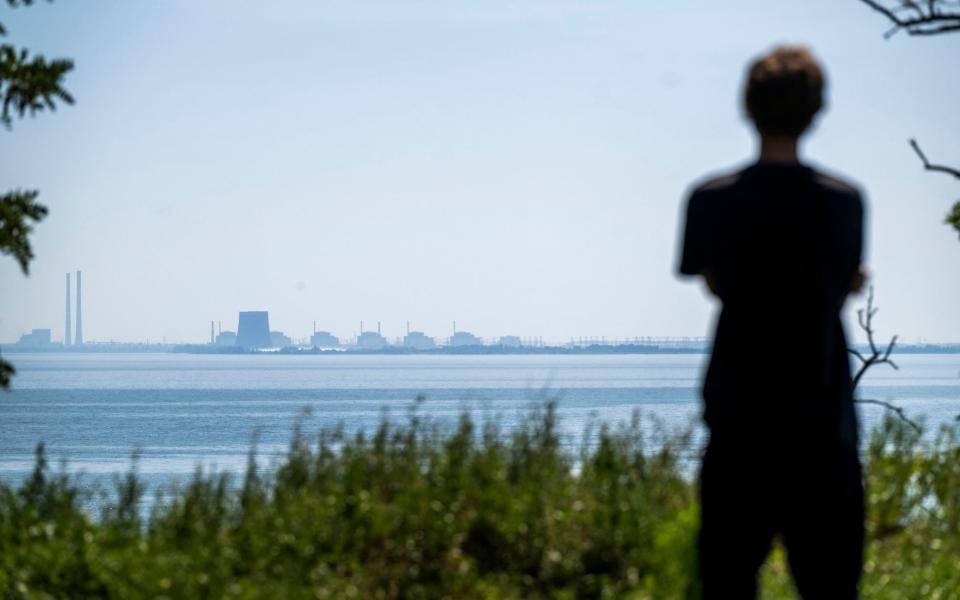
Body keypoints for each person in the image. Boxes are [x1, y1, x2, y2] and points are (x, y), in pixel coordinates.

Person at [677, 46, 867, 598]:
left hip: (739, 421)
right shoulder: (845, 201)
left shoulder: (710, 199)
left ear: (747, 106)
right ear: (816, 110)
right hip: (822, 428)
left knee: (727, 583)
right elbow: (839, 284)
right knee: (832, 587)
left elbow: (712, 280)